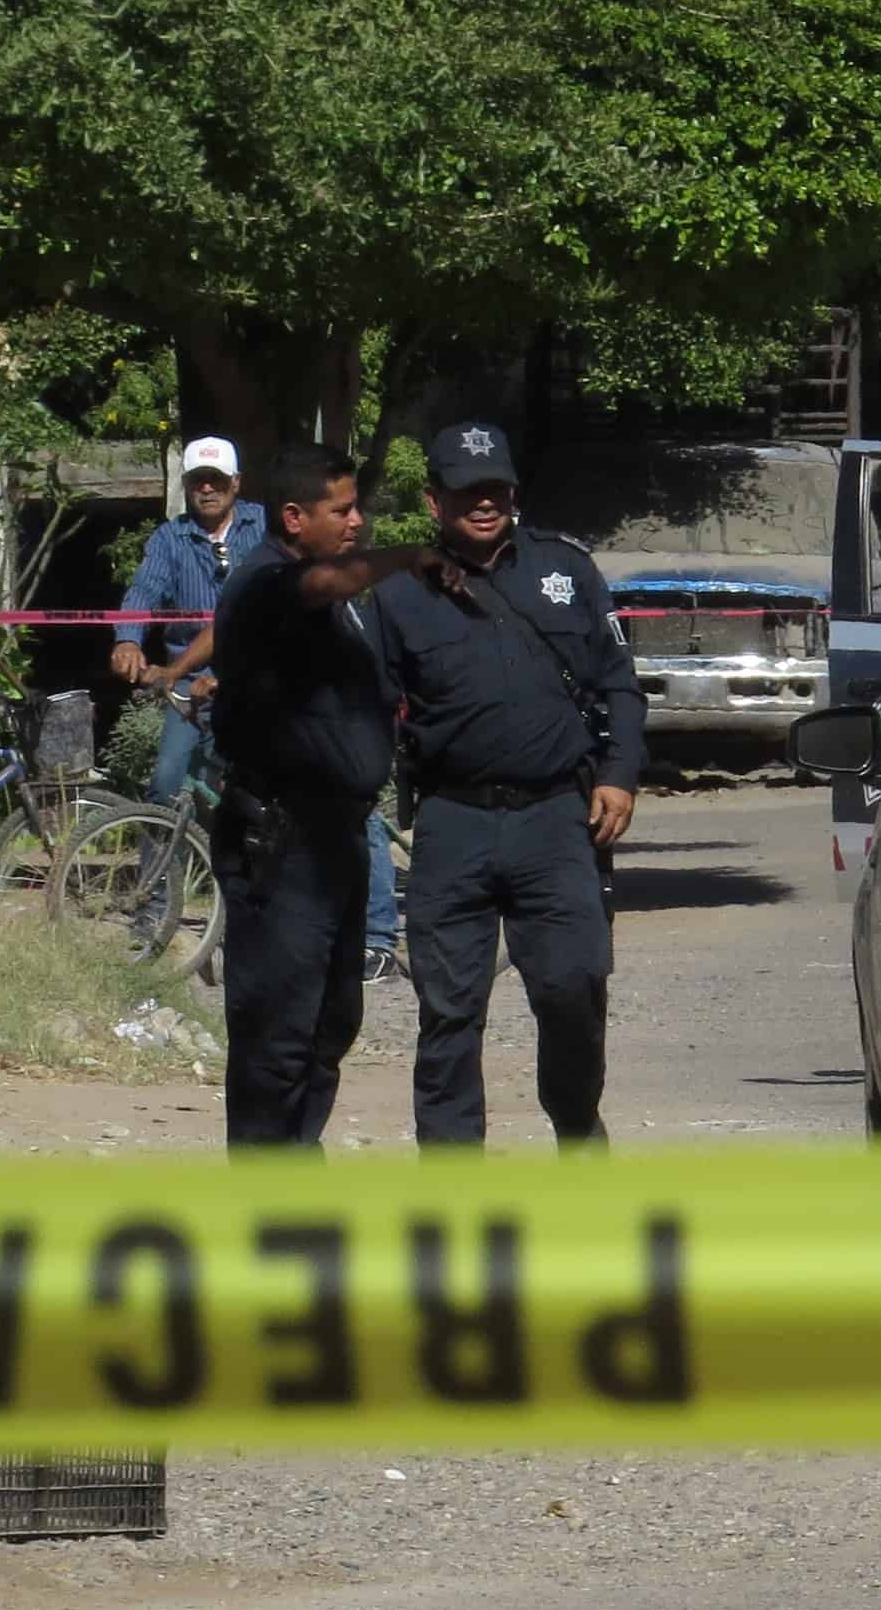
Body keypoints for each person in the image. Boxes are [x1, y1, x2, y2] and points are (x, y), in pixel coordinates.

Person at [356, 419, 642, 1150]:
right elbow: (362, 700)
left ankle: (578, 1126)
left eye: (494, 490)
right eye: (464, 492)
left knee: (573, 988)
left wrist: (619, 776)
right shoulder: (398, 590)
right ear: (433, 501)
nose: (483, 504)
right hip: (455, 822)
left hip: (558, 820)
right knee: (449, 1012)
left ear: (513, 491)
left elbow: (620, 687)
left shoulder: (566, 570)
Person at [205, 445, 458, 1149]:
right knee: (277, 1036)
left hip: (335, 841)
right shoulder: (267, 581)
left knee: (329, 1023)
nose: (357, 521)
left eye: (357, 506)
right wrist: (407, 557)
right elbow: (322, 585)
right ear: (294, 517)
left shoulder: (333, 603)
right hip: (281, 846)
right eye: (340, 510)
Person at [109, 436, 258, 803]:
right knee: (166, 781)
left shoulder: (263, 526)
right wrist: (127, 639)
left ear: (236, 482)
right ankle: (161, 861)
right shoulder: (170, 538)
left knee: (244, 785)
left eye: (217, 479)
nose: (207, 488)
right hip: (187, 681)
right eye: (197, 480)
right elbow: (144, 590)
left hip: (252, 676)